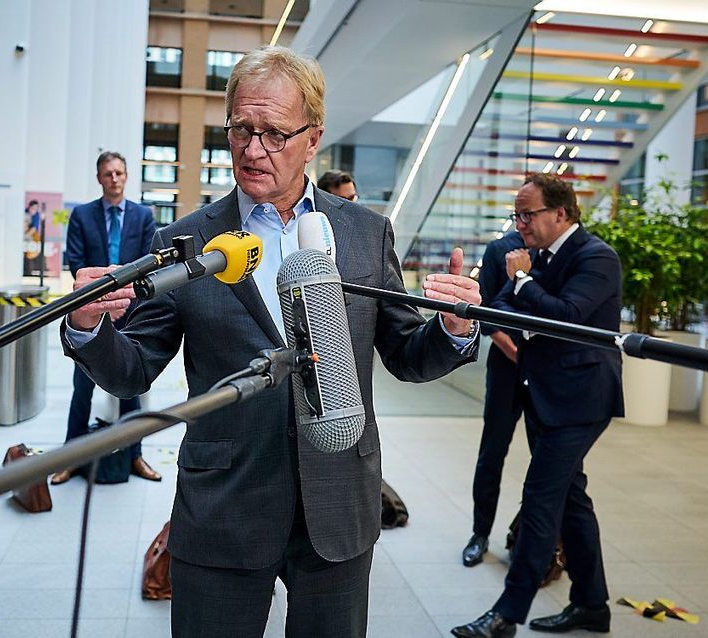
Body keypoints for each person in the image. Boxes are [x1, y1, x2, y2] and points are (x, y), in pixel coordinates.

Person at [62, 46, 481, 638]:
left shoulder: (364, 233)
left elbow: (407, 354)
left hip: (336, 501)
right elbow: (132, 370)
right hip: (224, 507)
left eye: (274, 134)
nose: (253, 150)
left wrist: (452, 328)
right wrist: (88, 326)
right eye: (241, 129)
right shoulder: (186, 240)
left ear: (313, 138)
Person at [452, 174, 623, 637]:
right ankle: (592, 605)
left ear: (561, 214)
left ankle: (507, 615)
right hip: (545, 390)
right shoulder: (540, 256)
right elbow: (502, 306)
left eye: (527, 214)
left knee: (540, 499)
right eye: (516, 215)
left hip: (582, 398)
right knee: (571, 502)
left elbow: (566, 315)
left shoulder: (595, 257)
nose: (519, 223)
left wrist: (523, 279)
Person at [50, 151, 160, 485]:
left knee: (131, 387)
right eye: (108, 174)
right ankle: (70, 457)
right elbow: (76, 261)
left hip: (130, 309)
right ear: (99, 178)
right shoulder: (83, 215)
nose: (114, 179)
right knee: (82, 386)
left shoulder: (143, 216)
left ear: (126, 177)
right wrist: (100, 298)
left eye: (119, 173)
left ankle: (135, 454)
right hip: (92, 309)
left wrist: (122, 297)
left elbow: (148, 260)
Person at [462, 229, 526, 567]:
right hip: (507, 364)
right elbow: (484, 311)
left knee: (549, 459)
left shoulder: (559, 251)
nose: (525, 221)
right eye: (521, 215)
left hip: (547, 369)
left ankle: (529, 538)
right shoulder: (501, 249)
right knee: (492, 452)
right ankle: (480, 532)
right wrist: (515, 351)